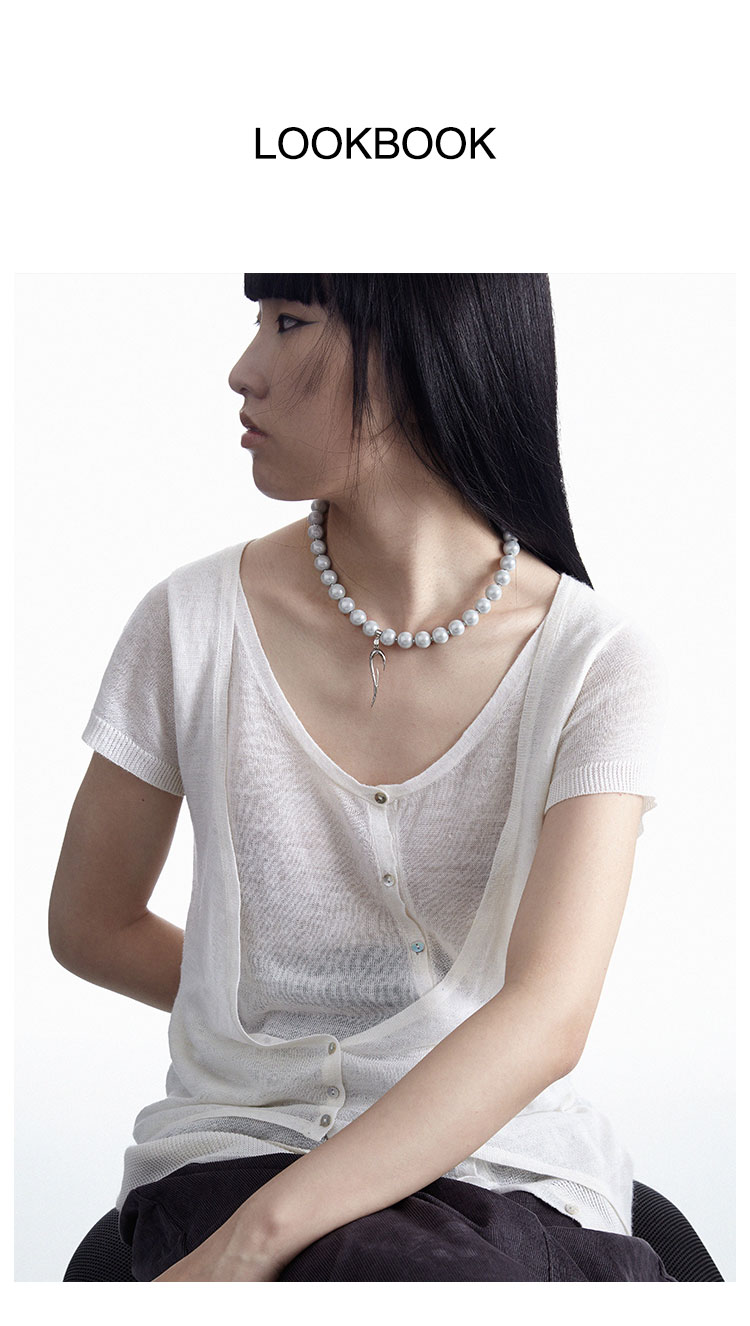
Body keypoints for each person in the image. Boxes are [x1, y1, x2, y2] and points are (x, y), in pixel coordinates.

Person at [49, 273, 674, 1281]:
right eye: (258, 322)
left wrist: (254, 1242)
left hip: (507, 1175)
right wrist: (276, 1023)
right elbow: (91, 924)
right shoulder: (192, 624)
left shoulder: (593, 663)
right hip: (240, 1153)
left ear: (422, 348)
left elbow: (548, 1019)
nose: (243, 370)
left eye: (290, 322)